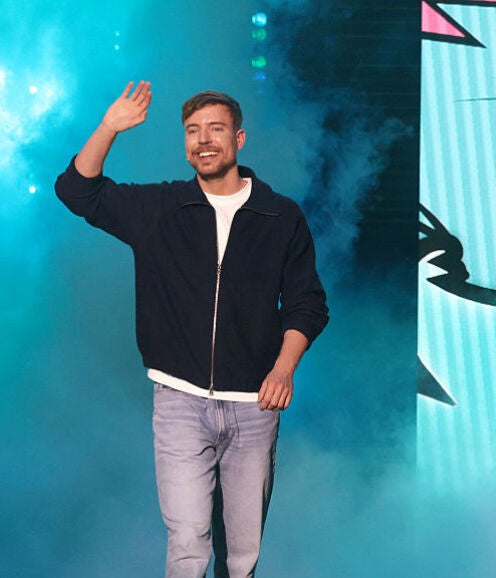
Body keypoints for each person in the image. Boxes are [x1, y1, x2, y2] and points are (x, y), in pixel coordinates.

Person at [54, 81, 329, 577]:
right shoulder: (160, 209)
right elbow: (77, 191)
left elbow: (307, 304)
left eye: (215, 129)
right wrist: (109, 127)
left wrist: (284, 368)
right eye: (192, 130)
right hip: (179, 401)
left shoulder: (280, 215)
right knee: (187, 542)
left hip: (254, 406)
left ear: (238, 139)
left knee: (241, 556)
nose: (203, 140)